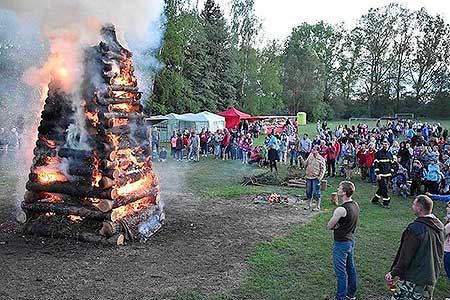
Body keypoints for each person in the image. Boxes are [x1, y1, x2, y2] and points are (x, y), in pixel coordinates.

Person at [385, 195, 444, 300]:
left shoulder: (415, 230)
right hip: (430, 277)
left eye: (413, 204)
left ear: (419, 209)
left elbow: (405, 256)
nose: (412, 206)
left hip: (414, 279)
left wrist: (393, 273)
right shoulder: (439, 226)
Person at [327, 181, 359, 300]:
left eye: (339, 188)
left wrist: (336, 226)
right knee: (350, 268)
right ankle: (351, 294)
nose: (338, 189)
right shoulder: (355, 205)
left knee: (341, 272)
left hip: (341, 243)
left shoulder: (341, 210)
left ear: (344, 192)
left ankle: (340, 297)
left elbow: (329, 226)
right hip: (350, 241)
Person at [301, 145, 326, 211]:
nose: (312, 150)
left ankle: (318, 206)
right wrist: (301, 159)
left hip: (316, 178)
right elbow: (305, 164)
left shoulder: (321, 159)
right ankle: (309, 205)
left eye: (314, 149)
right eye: (312, 149)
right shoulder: (310, 156)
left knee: (316, 192)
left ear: (318, 151)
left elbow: (323, 169)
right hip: (308, 177)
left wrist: (319, 178)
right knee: (308, 192)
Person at [371, 140, 394, 208]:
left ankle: (375, 200)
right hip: (381, 175)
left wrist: (391, 172)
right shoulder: (378, 153)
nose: (385, 146)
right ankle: (386, 202)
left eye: (386, 144)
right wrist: (377, 174)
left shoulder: (390, 154)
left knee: (381, 188)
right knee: (385, 188)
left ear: (388, 145)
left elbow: (392, 164)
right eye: (383, 144)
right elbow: (376, 164)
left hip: (388, 174)